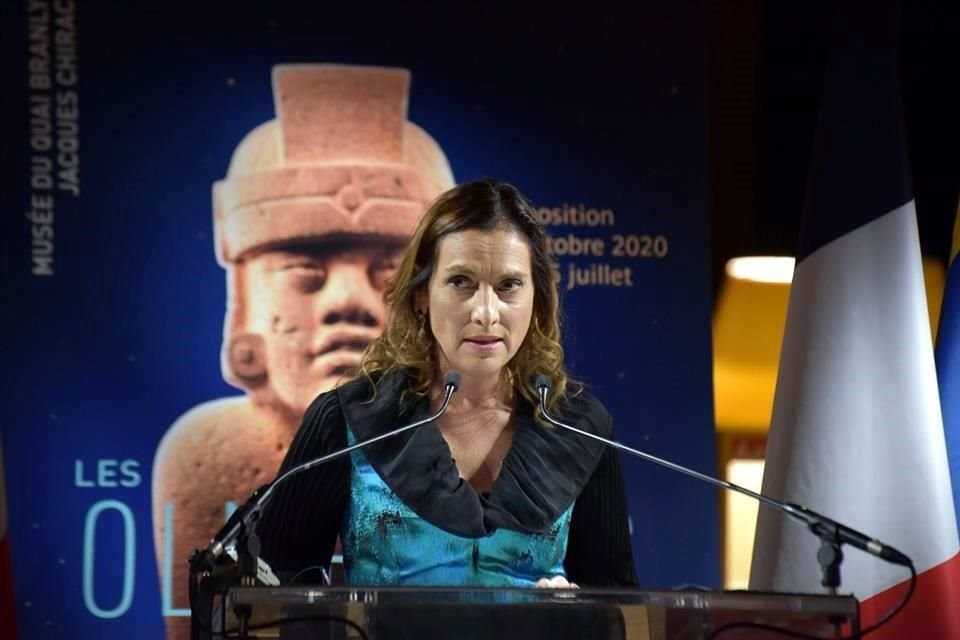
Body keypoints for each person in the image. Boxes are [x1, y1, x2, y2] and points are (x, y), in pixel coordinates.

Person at [152, 63, 455, 640]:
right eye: (305, 272)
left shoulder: (467, 434)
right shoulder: (211, 453)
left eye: (388, 271)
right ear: (243, 292)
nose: (348, 303)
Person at [256, 179, 637, 593]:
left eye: (509, 285)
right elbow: (274, 597)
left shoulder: (579, 429)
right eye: (461, 282)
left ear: (536, 298)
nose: (486, 312)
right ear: (422, 294)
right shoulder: (348, 420)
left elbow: (619, 603)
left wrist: (580, 616)